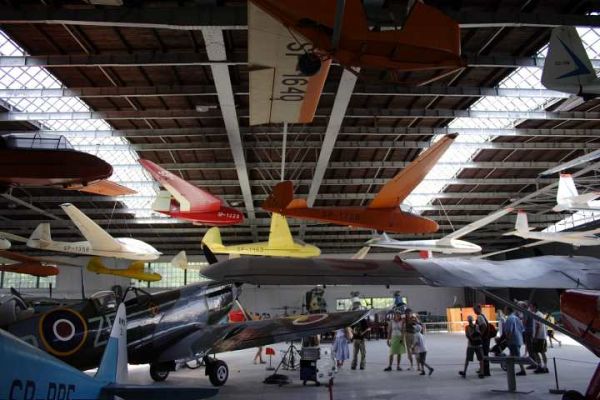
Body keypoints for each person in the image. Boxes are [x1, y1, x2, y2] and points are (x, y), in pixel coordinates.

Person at [504, 306, 527, 376]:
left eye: (505, 309)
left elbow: (509, 331)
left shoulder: (510, 318)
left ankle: (522, 370)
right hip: (518, 339)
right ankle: (510, 368)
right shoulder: (517, 318)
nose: (504, 311)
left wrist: (507, 339)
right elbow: (522, 329)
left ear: (508, 310)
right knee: (512, 354)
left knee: (517, 356)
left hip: (513, 340)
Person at [531, 303, 549, 374]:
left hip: (539, 337)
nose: (530, 308)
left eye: (531, 307)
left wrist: (535, 337)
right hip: (542, 336)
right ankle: (544, 367)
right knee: (542, 352)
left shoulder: (537, 315)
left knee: (536, 352)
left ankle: (540, 366)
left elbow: (538, 326)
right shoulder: (540, 314)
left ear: (535, 307)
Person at [474, 305, 491, 376]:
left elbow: (484, 325)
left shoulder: (479, 316)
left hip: (484, 339)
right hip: (487, 338)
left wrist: (480, 335)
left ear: (479, 309)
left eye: (475, 309)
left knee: (483, 355)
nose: (474, 311)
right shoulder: (483, 315)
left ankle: (485, 371)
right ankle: (484, 370)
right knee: (485, 354)